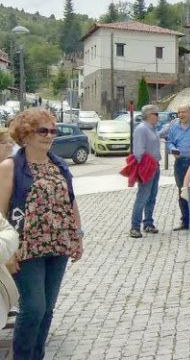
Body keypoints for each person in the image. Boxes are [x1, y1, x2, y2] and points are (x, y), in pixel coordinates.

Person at [0, 108, 83, 360]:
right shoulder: (10, 166)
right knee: (34, 308)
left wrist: (78, 234)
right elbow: (0, 212)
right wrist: (7, 252)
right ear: (25, 134)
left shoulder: (58, 164)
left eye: (53, 131)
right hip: (26, 248)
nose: (50, 136)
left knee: (47, 310)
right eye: (43, 131)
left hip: (58, 246)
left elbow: (70, 201)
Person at [162, 105, 190, 231]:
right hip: (180, 162)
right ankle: (185, 221)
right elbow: (169, 141)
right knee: (183, 191)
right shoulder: (174, 127)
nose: (181, 115)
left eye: (184, 112)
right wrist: (172, 148)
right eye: (179, 112)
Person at [130, 105, 162, 238]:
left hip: (155, 165)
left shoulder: (152, 129)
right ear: (149, 115)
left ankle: (148, 223)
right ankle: (135, 227)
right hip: (147, 166)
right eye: (156, 114)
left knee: (152, 197)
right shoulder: (141, 129)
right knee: (142, 197)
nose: (158, 116)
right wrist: (143, 169)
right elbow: (138, 151)